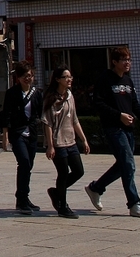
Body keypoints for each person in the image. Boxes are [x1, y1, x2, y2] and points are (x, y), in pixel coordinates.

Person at [86, 46, 140, 218]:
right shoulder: (105, 79)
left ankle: (95, 188)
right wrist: (119, 116)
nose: (127, 63)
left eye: (129, 59)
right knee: (128, 164)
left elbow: (135, 105)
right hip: (113, 129)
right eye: (124, 59)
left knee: (123, 166)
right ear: (114, 62)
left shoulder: (128, 81)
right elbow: (98, 104)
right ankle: (134, 204)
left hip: (128, 130)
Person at [43, 66, 90, 218]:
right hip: (58, 143)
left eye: (70, 76)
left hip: (71, 141)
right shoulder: (50, 98)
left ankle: (56, 192)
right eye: (66, 77)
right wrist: (50, 146)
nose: (69, 79)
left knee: (78, 171)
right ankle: (62, 206)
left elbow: (74, 119)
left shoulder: (70, 95)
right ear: (57, 79)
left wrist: (84, 139)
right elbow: (47, 123)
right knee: (63, 173)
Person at [0, 60, 43, 214]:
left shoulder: (37, 93)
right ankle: (21, 199)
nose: (27, 78)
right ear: (18, 77)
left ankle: (24, 197)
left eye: (29, 75)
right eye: (24, 76)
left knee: (29, 165)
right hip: (17, 133)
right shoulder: (12, 93)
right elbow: (7, 115)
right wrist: (5, 136)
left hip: (32, 133)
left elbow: (41, 113)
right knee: (23, 162)